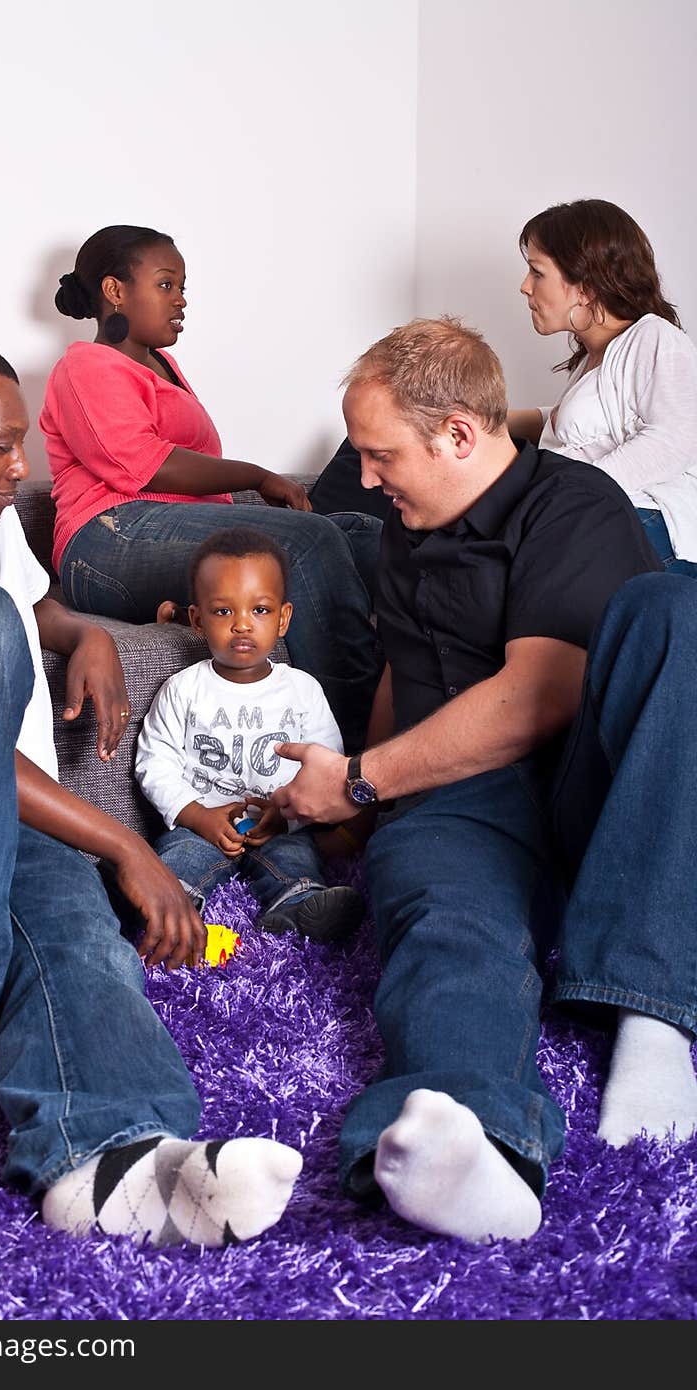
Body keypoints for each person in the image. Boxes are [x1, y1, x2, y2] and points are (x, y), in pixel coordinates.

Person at [0, 334, 302, 1248]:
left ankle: (117, 1158)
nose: (22, 467)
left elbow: (36, 606)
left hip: (3, 833)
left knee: (80, 937)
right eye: (0, 445)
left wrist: (89, 633)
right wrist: (121, 843)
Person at [273, 317, 697, 1245]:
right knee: (447, 929)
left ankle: (655, 1017)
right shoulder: (405, 530)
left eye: (382, 456)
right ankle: (471, 1137)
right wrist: (363, 819)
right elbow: (400, 669)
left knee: (678, 603)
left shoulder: (574, 503)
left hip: (592, 786)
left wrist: (358, 780)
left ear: (459, 435)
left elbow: (542, 695)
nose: (368, 478)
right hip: (456, 803)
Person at [39, 224, 382, 751]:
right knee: (307, 542)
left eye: (182, 287)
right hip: (106, 538)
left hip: (160, 535)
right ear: (115, 291)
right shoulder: (86, 366)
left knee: (365, 534)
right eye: (165, 285)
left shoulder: (163, 366)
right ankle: (358, 762)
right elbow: (143, 467)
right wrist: (258, 476)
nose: (181, 300)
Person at [135, 527, 364, 944]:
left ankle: (296, 905)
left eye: (259, 610)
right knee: (180, 856)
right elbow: (155, 761)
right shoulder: (184, 689)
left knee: (295, 858)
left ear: (283, 619)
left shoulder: (302, 689)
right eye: (224, 612)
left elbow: (324, 763)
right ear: (197, 619)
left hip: (274, 822)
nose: (242, 625)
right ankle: (176, 910)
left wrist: (288, 817)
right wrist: (195, 815)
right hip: (201, 822)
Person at [509, 198, 697, 573]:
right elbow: (592, 427)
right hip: (598, 519)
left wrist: (566, 493)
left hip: (645, 524)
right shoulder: (595, 359)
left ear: (586, 286)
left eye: (537, 272)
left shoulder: (654, 337)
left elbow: (676, 438)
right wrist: (491, 419)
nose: (524, 287)